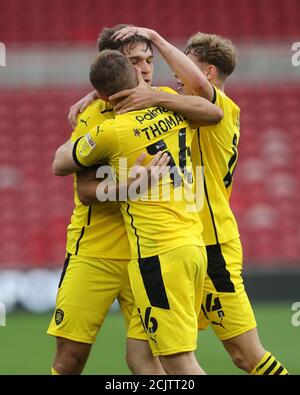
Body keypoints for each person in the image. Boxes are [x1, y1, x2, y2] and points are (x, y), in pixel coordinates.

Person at [107, 26, 289, 375]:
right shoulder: (183, 111)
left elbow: (194, 98)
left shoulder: (219, 108)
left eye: (184, 63)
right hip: (181, 243)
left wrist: (157, 39)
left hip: (213, 244)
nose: (174, 72)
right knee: (144, 358)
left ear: (207, 73)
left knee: (246, 355)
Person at [49, 25, 222, 375]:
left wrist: (159, 97)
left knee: (147, 361)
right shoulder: (95, 116)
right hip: (95, 251)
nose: (144, 69)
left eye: (148, 60)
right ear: (117, 66)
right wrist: (127, 186)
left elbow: (212, 108)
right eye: (134, 61)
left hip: (148, 252)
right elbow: (83, 188)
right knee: (70, 359)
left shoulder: (169, 101)